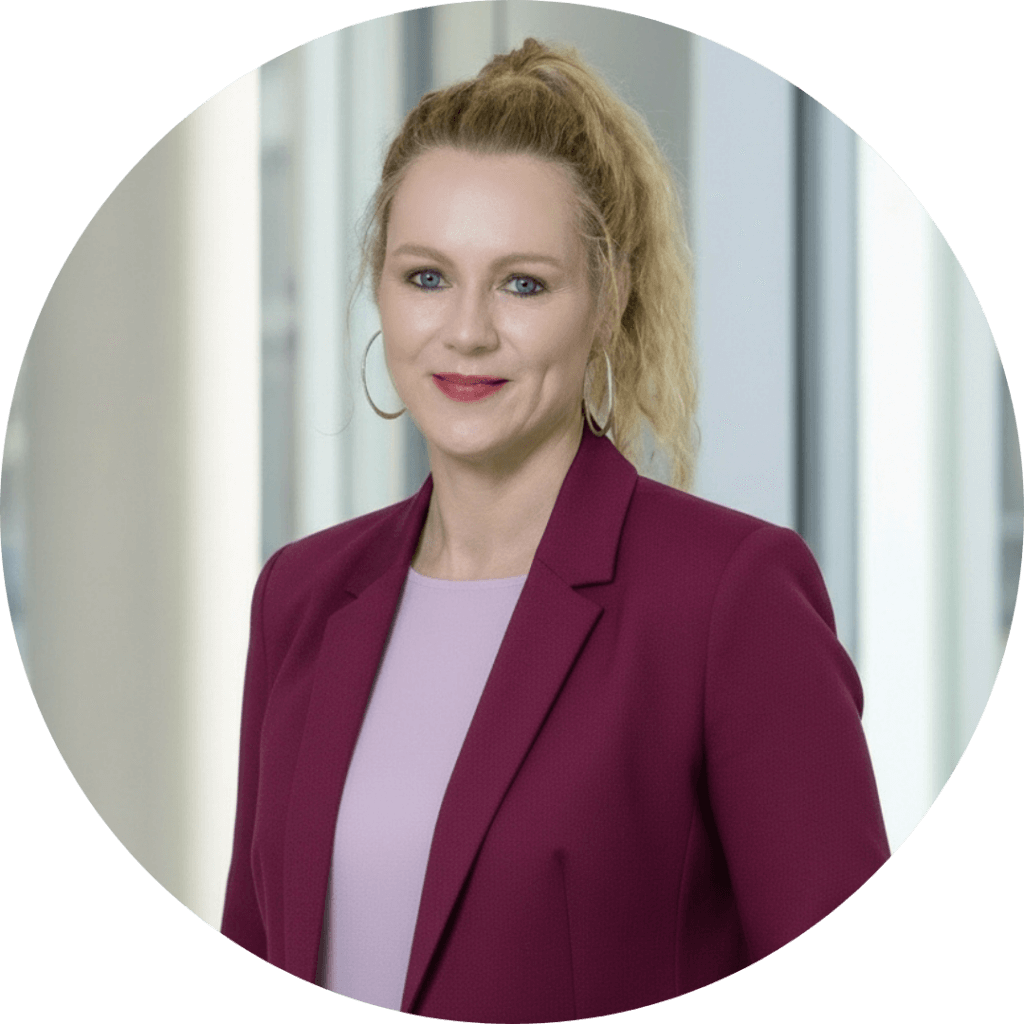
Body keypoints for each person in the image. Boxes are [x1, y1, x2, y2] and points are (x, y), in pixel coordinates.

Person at [221, 38, 890, 1021]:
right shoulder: (303, 593)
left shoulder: (726, 595)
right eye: (426, 276)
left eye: (522, 283)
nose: (467, 331)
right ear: (379, 289)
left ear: (606, 296)